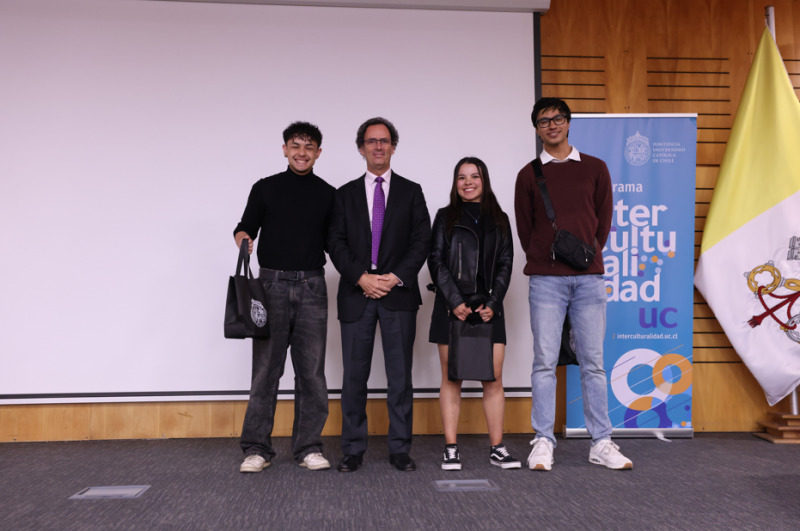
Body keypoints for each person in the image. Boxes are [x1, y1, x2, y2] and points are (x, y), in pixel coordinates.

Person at [514, 97, 633, 471]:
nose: (551, 125)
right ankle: (543, 440)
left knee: (593, 363)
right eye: (543, 120)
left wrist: (585, 256)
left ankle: (601, 442)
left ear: (568, 122)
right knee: (544, 362)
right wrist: (548, 259)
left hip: (588, 280)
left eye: (558, 118)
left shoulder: (595, 168)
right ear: (536, 129)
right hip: (546, 281)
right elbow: (525, 229)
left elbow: (603, 221)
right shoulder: (528, 174)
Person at [328, 117, 431, 472]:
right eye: (371, 141)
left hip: (397, 296)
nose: (378, 146)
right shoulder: (343, 195)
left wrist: (395, 277)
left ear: (393, 147)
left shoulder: (411, 191)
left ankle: (400, 448)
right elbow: (335, 242)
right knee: (353, 378)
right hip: (356, 296)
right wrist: (361, 277)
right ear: (361, 148)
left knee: (400, 377)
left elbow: (421, 240)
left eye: (384, 141)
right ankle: (352, 449)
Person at [233, 121, 335, 473]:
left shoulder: (328, 194)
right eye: (295, 146)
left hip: (312, 285)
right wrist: (244, 240)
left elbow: (336, 243)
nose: (301, 153)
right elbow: (244, 227)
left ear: (318, 153)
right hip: (270, 286)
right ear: (285, 149)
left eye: (309, 147)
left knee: (312, 374)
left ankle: (309, 447)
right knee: (266, 371)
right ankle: (256, 449)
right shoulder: (265, 188)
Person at [428, 156, 519, 471]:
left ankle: (497, 448)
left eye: (474, 176)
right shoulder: (445, 217)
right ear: (455, 183)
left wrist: (494, 302)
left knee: (493, 379)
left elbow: (506, 262)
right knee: (451, 378)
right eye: (462, 177)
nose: (468, 182)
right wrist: (454, 300)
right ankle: (451, 449)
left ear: (484, 180)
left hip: (489, 308)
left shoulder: (500, 218)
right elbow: (436, 260)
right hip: (451, 307)